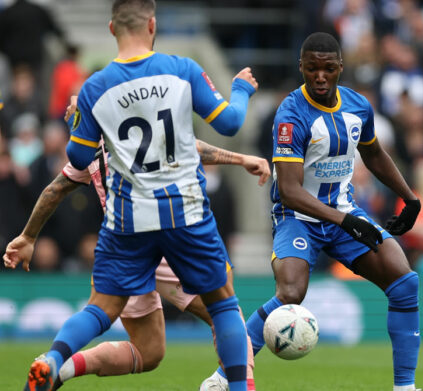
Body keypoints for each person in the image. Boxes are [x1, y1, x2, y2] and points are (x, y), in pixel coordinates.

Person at [11, 1, 258, 390]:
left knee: (102, 309)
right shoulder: (182, 69)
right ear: (153, 24)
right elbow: (228, 122)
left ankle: (55, 358)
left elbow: (77, 156)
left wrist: (83, 123)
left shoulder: (95, 87)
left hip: (129, 219)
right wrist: (241, 90)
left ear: (112, 29)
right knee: (223, 304)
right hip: (184, 211)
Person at [215, 32, 421, 391]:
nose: (320, 77)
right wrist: (348, 221)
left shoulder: (357, 106)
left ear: (340, 67)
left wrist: (410, 198)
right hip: (298, 218)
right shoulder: (291, 115)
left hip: (344, 213)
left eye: (328, 69)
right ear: (301, 68)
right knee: (291, 293)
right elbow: (291, 193)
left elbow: (373, 154)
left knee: (405, 283)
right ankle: (222, 378)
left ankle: (404, 388)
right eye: (312, 69)